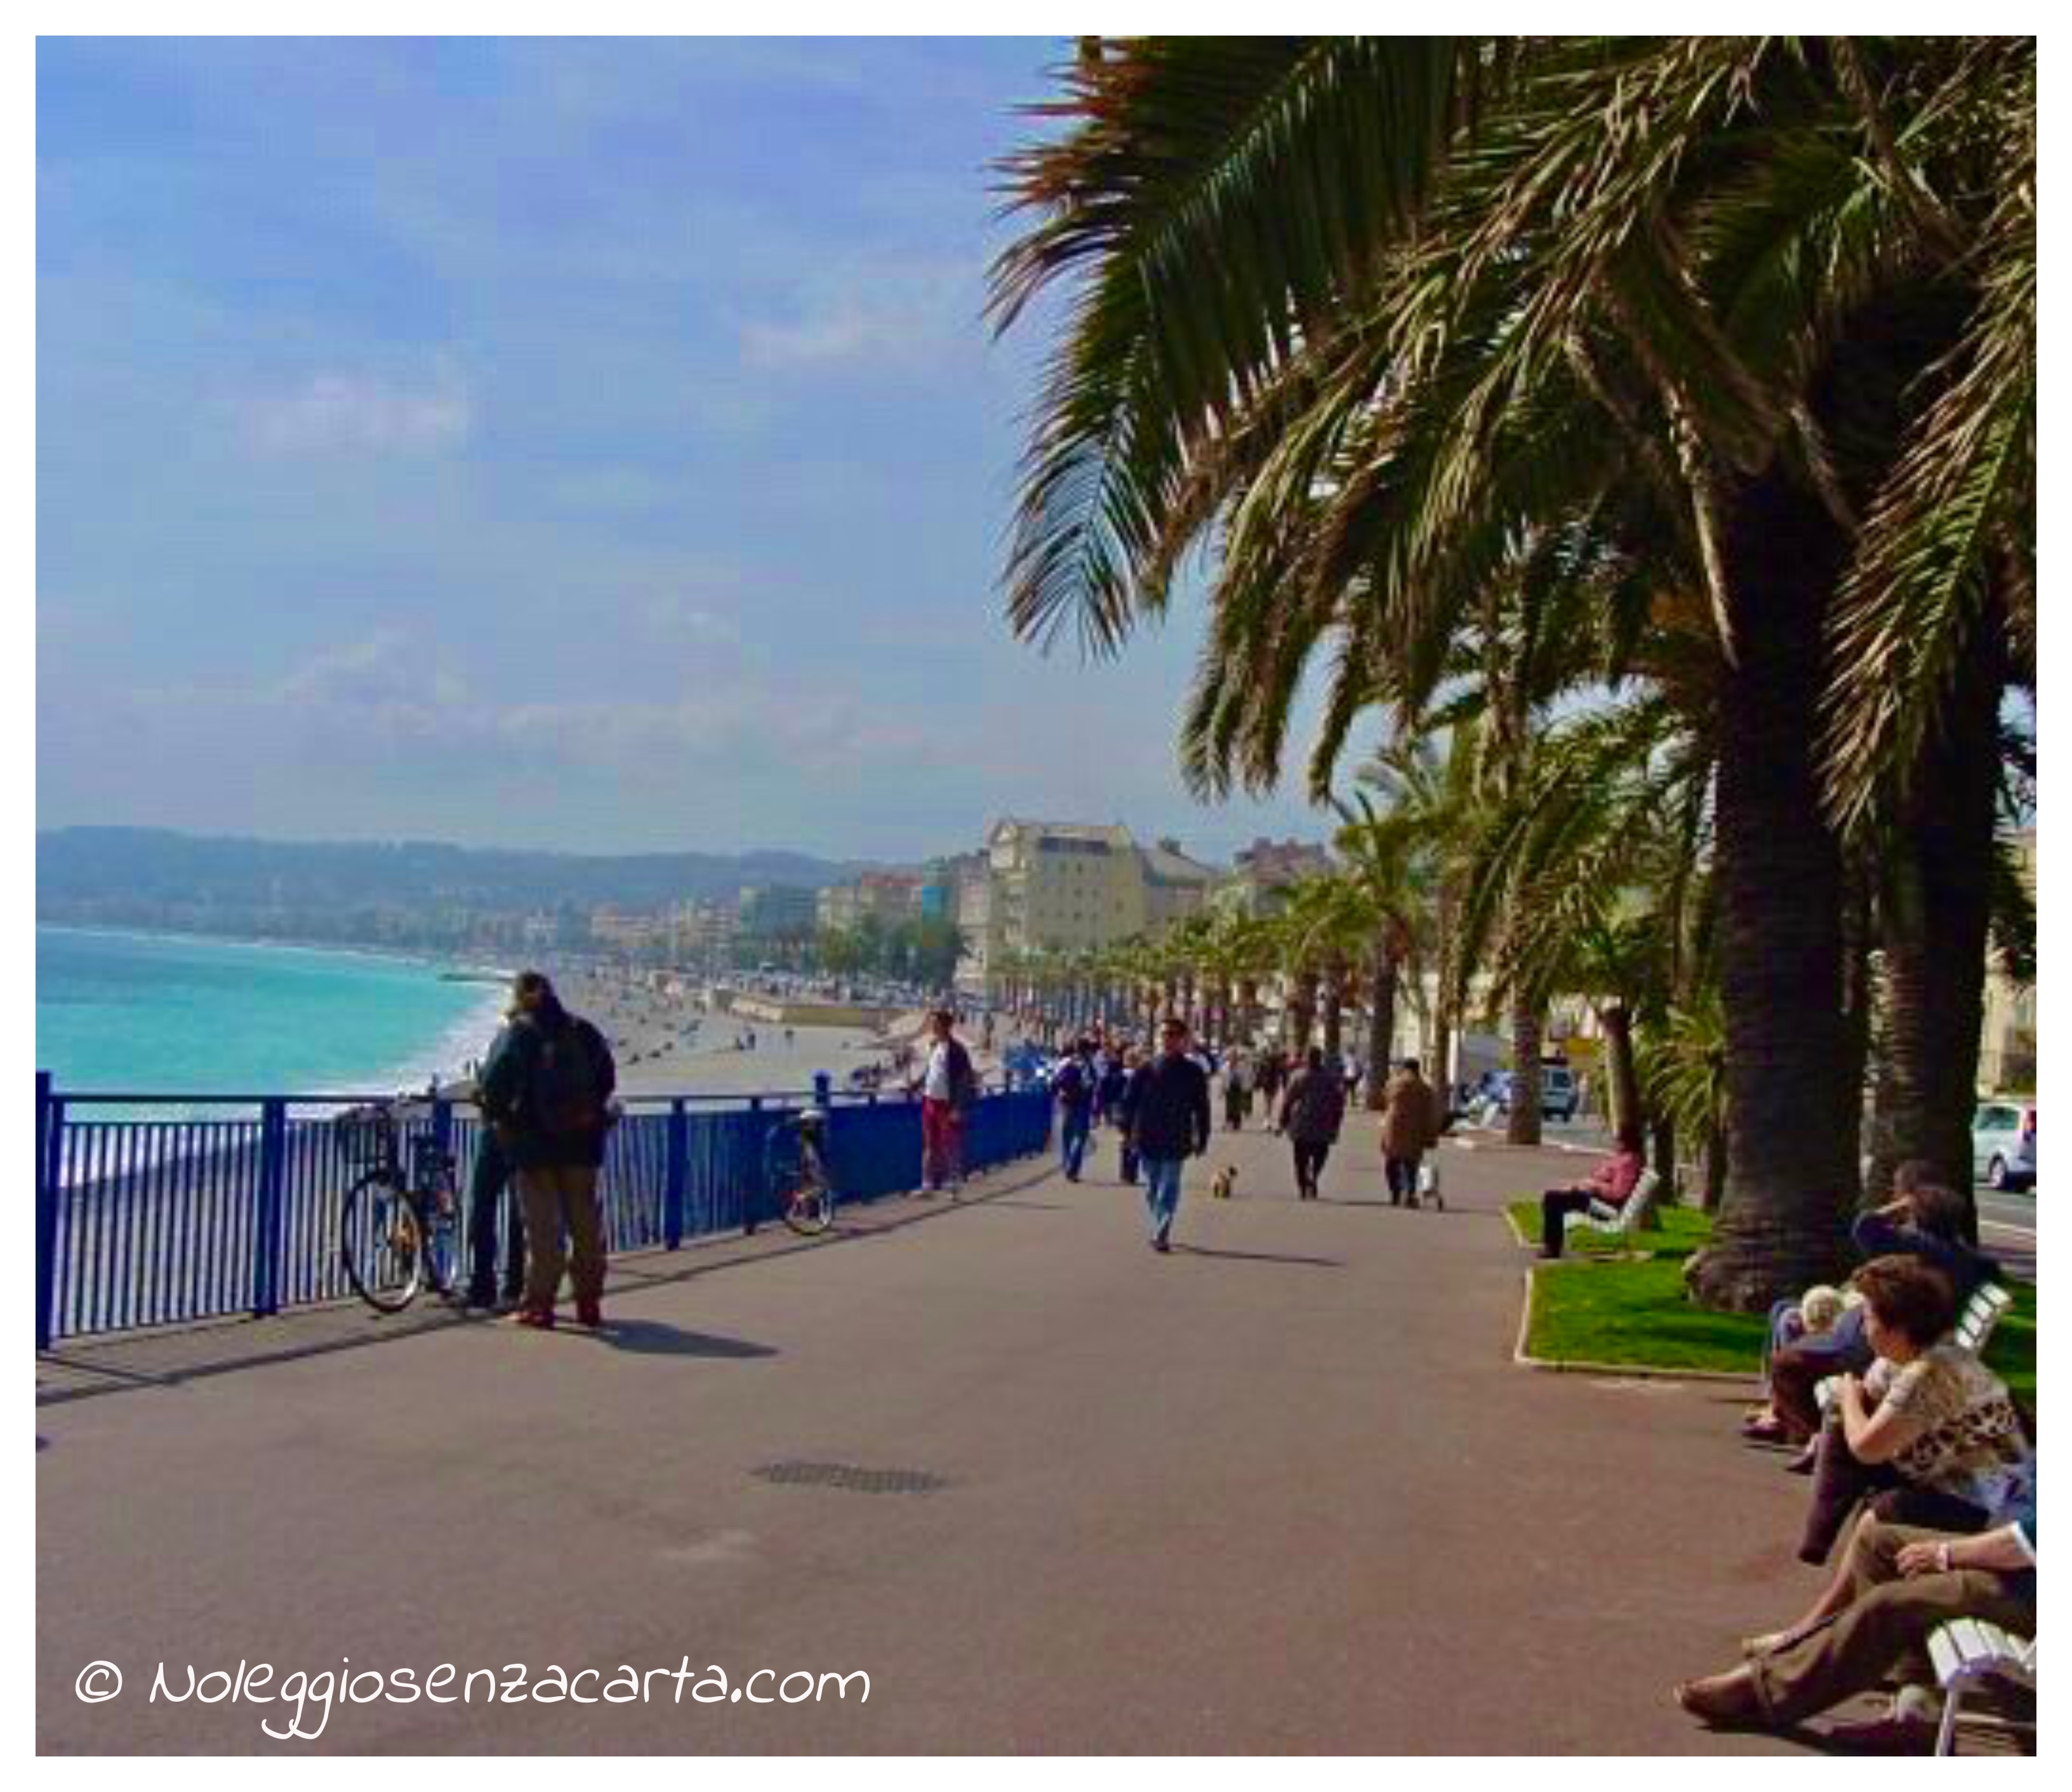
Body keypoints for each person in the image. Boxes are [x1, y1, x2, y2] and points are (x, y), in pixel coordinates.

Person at [1674, 1496, 2036, 1746]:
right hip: (2025, 1572)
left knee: (1889, 1605)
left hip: (2031, 1595)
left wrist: (1946, 1553)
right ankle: (1914, 1706)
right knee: (1879, 1544)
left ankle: (1764, 1692)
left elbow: (2033, 1540)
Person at [1794, 1254, 2034, 1566]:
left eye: (1867, 1317)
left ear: (1897, 1327)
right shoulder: (1917, 1357)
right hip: (1961, 1478)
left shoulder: (1929, 1374)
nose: (1863, 1327)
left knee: (1880, 1513)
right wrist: (1854, 1398)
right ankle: (1819, 1547)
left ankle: (1821, 1557)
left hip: (1993, 1505)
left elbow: (1867, 1448)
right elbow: (1872, 1400)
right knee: (1844, 1420)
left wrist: (1848, 1396)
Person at [1762, 1176, 2000, 1447]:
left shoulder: (1912, 1244)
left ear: (1917, 1214)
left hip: (1880, 1341)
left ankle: (1807, 1433)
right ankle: (1781, 1413)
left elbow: (1865, 1225)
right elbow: (1991, 1269)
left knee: (1786, 1359)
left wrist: (1901, 1204)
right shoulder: (1970, 1261)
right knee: (1786, 1314)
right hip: (1917, 1338)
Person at [478, 970, 618, 1331]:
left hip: (533, 1145)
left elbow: (493, 1085)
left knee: (543, 1229)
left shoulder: (517, 1033)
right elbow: (607, 1080)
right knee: (585, 1225)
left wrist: (499, 1119)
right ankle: (589, 1301)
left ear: (518, 997)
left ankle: (539, 1305)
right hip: (582, 1144)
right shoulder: (583, 1030)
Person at [1129, 1016, 1213, 1252]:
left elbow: (1202, 1108)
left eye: (1173, 1035)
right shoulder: (1146, 1069)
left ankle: (1162, 1231)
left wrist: (1203, 1137)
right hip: (1148, 1136)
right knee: (1152, 1188)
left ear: (1183, 1040)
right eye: (1164, 1034)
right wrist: (1127, 1130)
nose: (1168, 1039)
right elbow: (1130, 1101)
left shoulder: (1193, 1072)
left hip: (1177, 1137)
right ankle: (1160, 1222)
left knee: (1170, 1186)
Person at [1537, 1122, 1645, 1254]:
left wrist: (1594, 1186)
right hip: (1596, 1199)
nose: (1615, 1142)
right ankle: (1551, 1242)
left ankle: (1552, 1247)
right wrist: (1582, 1186)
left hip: (1605, 1207)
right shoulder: (1622, 1159)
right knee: (1553, 1198)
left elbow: (1618, 1193)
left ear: (1626, 1142)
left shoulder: (1628, 1163)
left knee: (1552, 1199)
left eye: (1618, 1139)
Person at [462, 1123, 527, 1311]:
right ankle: (488, 1287)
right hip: (500, 1128)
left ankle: (506, 1289)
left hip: (519, 1129)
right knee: (487, 1207)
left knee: (516, 1215)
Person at [915, 1008, 977, 1197]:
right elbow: (931, 1072)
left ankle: (953, 1185)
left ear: (945, 1025)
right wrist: (915, 1085)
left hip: (947, 1105)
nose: (932, 1026)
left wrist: (958, 1108)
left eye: (935, 1023)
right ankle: (927, 1186)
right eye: (932, 1023)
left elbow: (965, 1081)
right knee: (929, 1145)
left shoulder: (957, 1050)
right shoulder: (934, 1045)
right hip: (929, 1102)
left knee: (949, 1146)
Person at [1279, 1046, 1348, 1200]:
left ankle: (1304, 1184)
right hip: (1323, 1123)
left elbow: (1288, 1101)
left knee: (1300, 1159)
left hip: (1302, 1123)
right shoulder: (1330, 1078)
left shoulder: (1299, 1076)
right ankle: (1314, 1176)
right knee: (1321, 1154)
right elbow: (1339, 1103)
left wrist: (1283, 1122)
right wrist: (1336, 1123)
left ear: (1307, 1060)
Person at [1380, 1057, 1443, 1208]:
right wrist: (1431, 1135)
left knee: (1391, 1162)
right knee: (1411, 1165)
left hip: (1394, 1129)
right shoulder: (1425, 1089)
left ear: (1404, 1068)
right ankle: (1410, 1193)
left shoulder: (1393, 1083)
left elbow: (1385, 1099)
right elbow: (1431, 1114)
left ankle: (1395, 1193)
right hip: (1415, 1130)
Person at [1052, 1038, 1098, 1182]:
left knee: (1067, 1136)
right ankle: (1072, 1168)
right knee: (1080, 1137)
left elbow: (1054, 1082)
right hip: (1082, 1104)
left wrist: (1059, 1094)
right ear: (1087, 1050)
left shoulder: (1066, 1062)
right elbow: (1091, 1085)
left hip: (1067, 1104)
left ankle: (1067, 1165)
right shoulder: (1087, 1065)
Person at [1115, 1045, 1145, 1185]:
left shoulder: (1119, 1075)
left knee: (1125, 1144)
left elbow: (1111, 1094)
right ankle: (1131, 1175)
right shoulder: (1142, 1077)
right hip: (1138, 1114)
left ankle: (1124, 1174)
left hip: (1122, 1114)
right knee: (1136, 1144)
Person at [1222, 1050, 1252, 1131]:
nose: (1233, 1059)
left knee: (1238, 1106)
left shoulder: (1241, 1066)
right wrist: (1222, 1089)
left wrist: (1247, 1087)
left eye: (1235, 1057)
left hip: (1238, 1087)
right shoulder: (1225, 1066)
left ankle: (1237, 1123)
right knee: (1229, 1106)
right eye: (1232, 1057)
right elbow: (1223, 1078)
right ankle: (1229, 1122)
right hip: (1229, 1087)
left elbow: (1245, 1076)